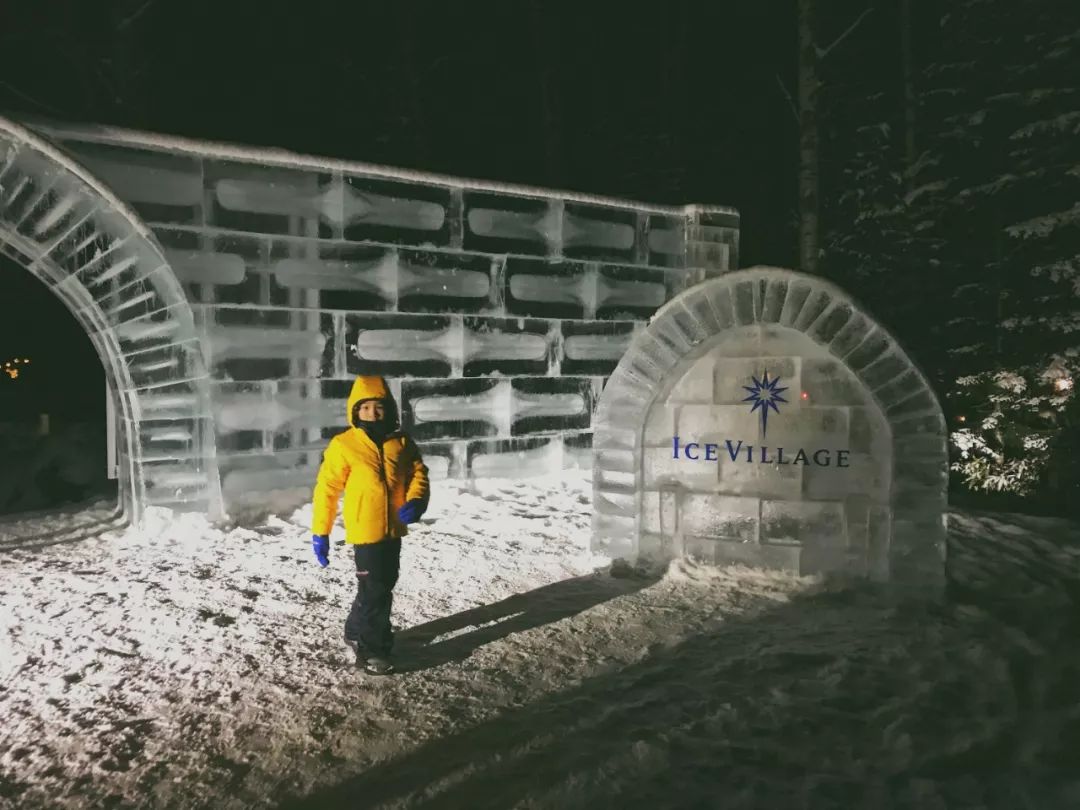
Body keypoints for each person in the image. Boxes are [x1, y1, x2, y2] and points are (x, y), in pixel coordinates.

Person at [310, 375, 430, 675]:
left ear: (388, 409)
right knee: (376, 590)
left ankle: (354, 629)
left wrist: (416, 501)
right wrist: (320, 532)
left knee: (381, 583)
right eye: (365, 408)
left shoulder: (401, 442)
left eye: (378, 408)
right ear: (355, 411)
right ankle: (372, 649)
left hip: (394, 529)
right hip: (365, 530)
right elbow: (327, 489)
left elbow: (418, 474)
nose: (372, 414)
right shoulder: (344, 444)